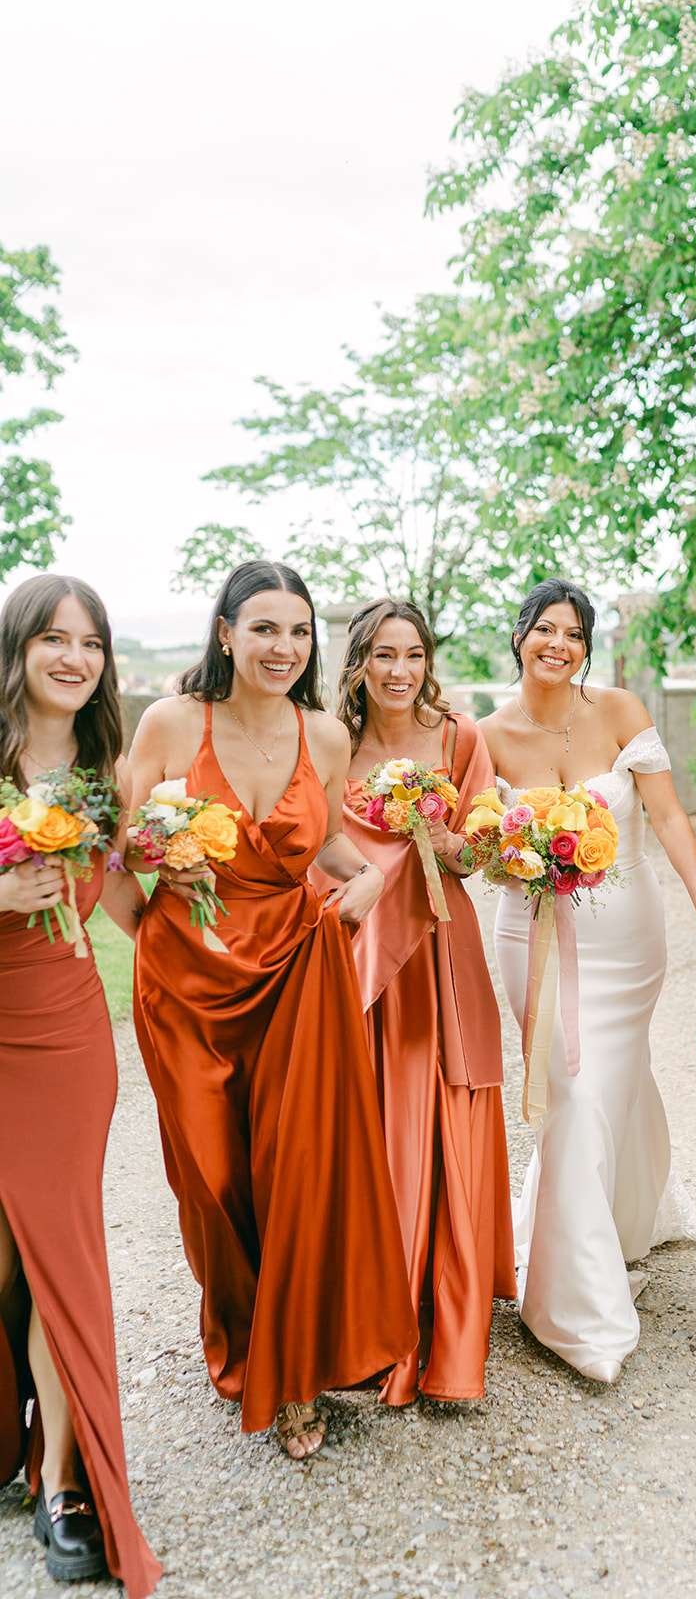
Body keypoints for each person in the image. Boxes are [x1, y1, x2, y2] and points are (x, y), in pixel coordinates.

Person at [128, 561, 415, 1459]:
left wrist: (366, 873)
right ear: (224, 634)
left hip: (295, 971)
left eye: (297, 632)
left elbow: (322, 838)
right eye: (262, 629)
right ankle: (239, 1337)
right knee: (212, 1182)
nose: (282, 647)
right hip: (184, 985)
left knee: (295, 1172)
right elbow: (125, 844)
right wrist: (153, 902)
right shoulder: (172, 723)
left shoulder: (324, 736)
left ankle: (291, 1375)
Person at [481, 579, 696, 1384]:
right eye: (543, 629)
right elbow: (477, 843)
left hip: (629, 937)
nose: (557, 644)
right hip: (533, 934)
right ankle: (577, 1304)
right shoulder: (482, 735)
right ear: (518, 636)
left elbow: (666, 818)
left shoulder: (621, 711)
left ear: (587, 646)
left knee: (613, 1081)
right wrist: (518, 853)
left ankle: (618, 1221)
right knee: (572, 1092)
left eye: (573, 633)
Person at [311, 598, 515, 1405]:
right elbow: (311, 847)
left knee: (445, 1114)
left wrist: (433, 832)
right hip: (362, 952)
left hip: (439, 941)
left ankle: (448, 1326)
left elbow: (480, 855)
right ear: (357, 662)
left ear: (429, 660)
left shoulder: (461, 738)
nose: (399, 671)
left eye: (414, 654)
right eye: (382, 655)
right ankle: (373, 1316)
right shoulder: (328, 741)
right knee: (374, 1122)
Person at [0, 575, 160, 1593]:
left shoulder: (106, 767)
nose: (74, 657)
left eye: (91, 642)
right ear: (17, 647)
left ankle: (63, 1479)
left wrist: (179, 875)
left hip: (61, 1037)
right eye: (53, 638)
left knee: (58, 1257)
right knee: (6, 1264)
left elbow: (130, 914)